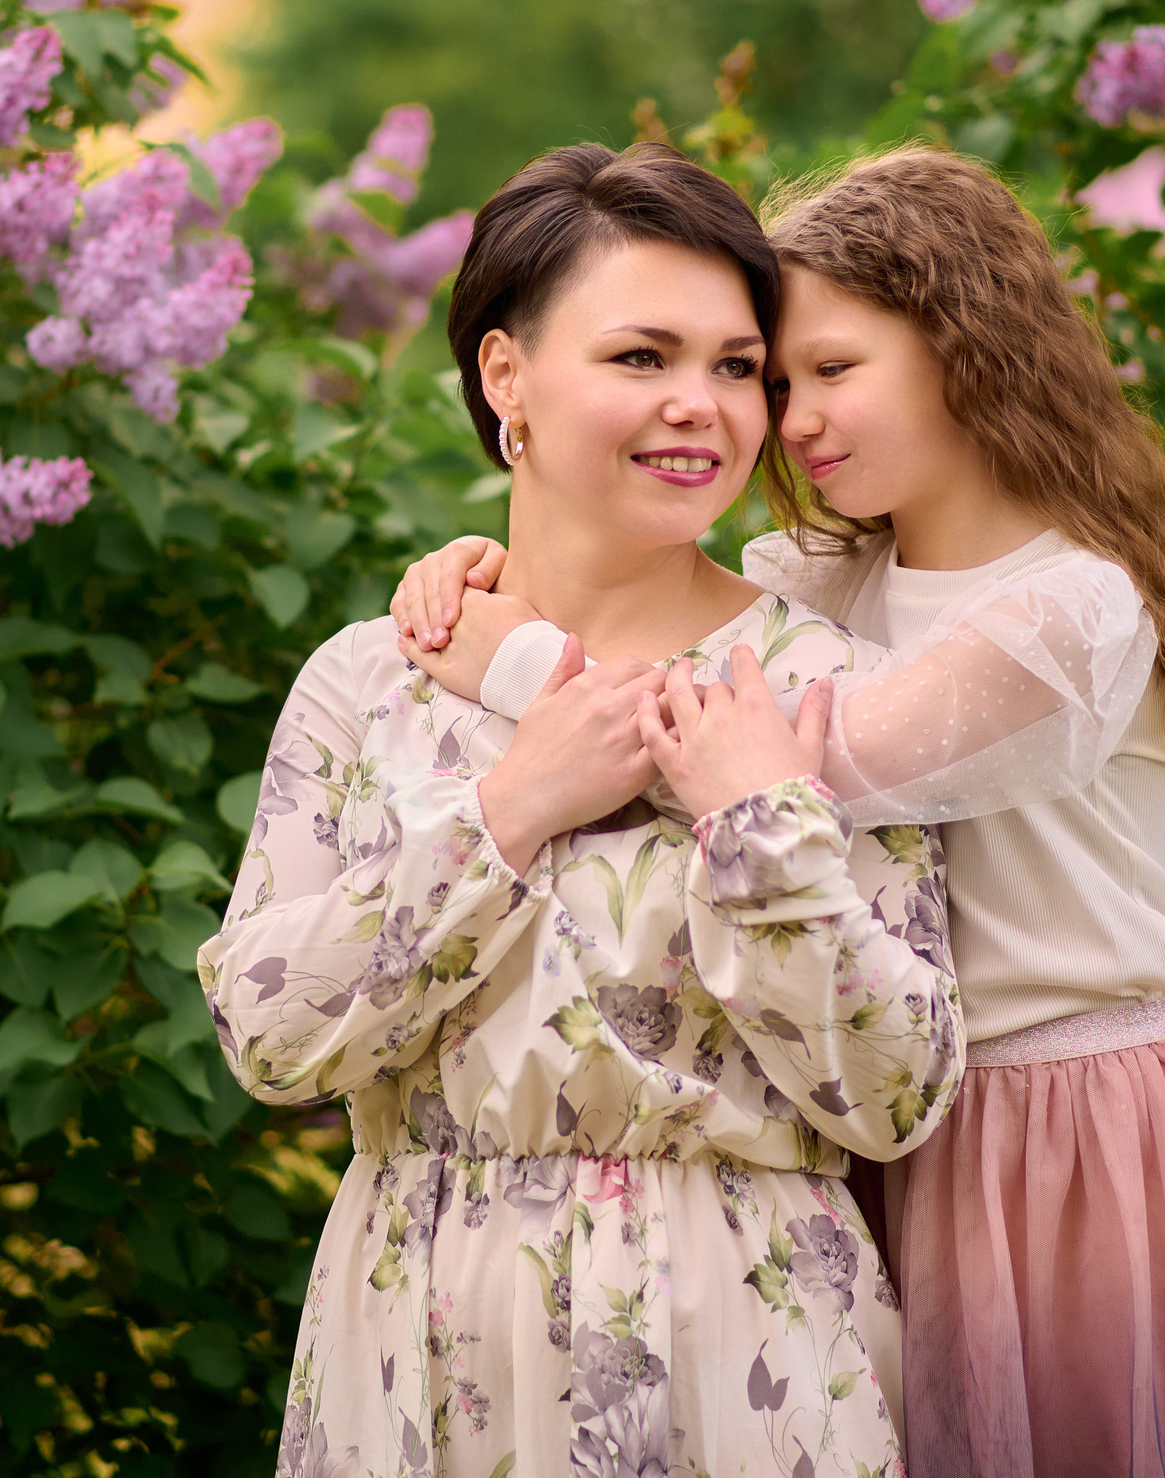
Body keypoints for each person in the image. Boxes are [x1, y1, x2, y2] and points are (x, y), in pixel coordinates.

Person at [388, 145, 1165, 1478]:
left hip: (1058, 1131)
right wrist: (492, 566)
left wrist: (512, 661)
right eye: (777, 380)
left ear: (964, 345)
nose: (794, 418)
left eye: (833, 370)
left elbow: (791, 764)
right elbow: (669, 615)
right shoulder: (824, 579)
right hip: (861, 1109)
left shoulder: (1073, 612)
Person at [200, 142, 965, 1478]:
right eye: (641, 357)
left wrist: (761, 835)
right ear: (507, 378)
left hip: (748, 1352)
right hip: (417, 1345)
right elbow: (267, 1040)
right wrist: (509, 811)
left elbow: (898, 1092)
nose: (703, 408)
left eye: (738, 366)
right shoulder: (370, 680)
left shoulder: (820, 690)